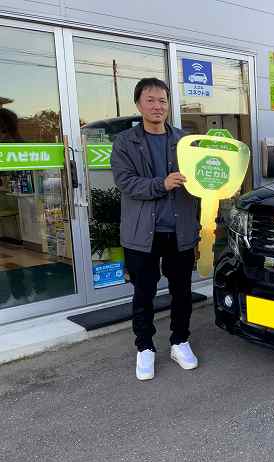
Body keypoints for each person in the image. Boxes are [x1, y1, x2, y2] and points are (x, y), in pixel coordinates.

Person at [111, 78, 201, 381]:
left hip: (180, 231)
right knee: (144, 293)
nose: (157, 106)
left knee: (182, 291)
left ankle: (180, 341)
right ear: (138, 104)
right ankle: (145, 347)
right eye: (150, 100)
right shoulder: (125, 142)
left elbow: (201, 179)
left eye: (162, 100)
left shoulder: (186, 141)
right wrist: (161, 184)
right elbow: (125, 182)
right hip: (142, 233)